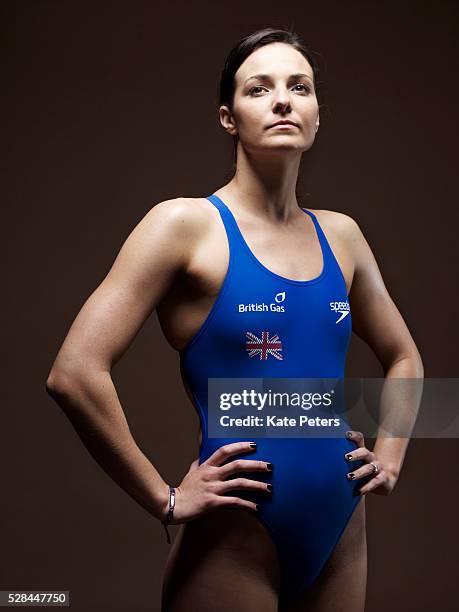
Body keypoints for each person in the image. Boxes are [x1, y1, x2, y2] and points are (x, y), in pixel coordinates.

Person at [46, 27, 424, 612]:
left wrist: (391, 452)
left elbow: (404, 357)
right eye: (259, 88)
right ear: (228, 118)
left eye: (299, 87)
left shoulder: (343, 236)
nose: (282, 100)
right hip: (237, 534)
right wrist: (165, 499)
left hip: (343, 527)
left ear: (318, 114)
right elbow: (73, 372)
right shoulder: (184, 226)